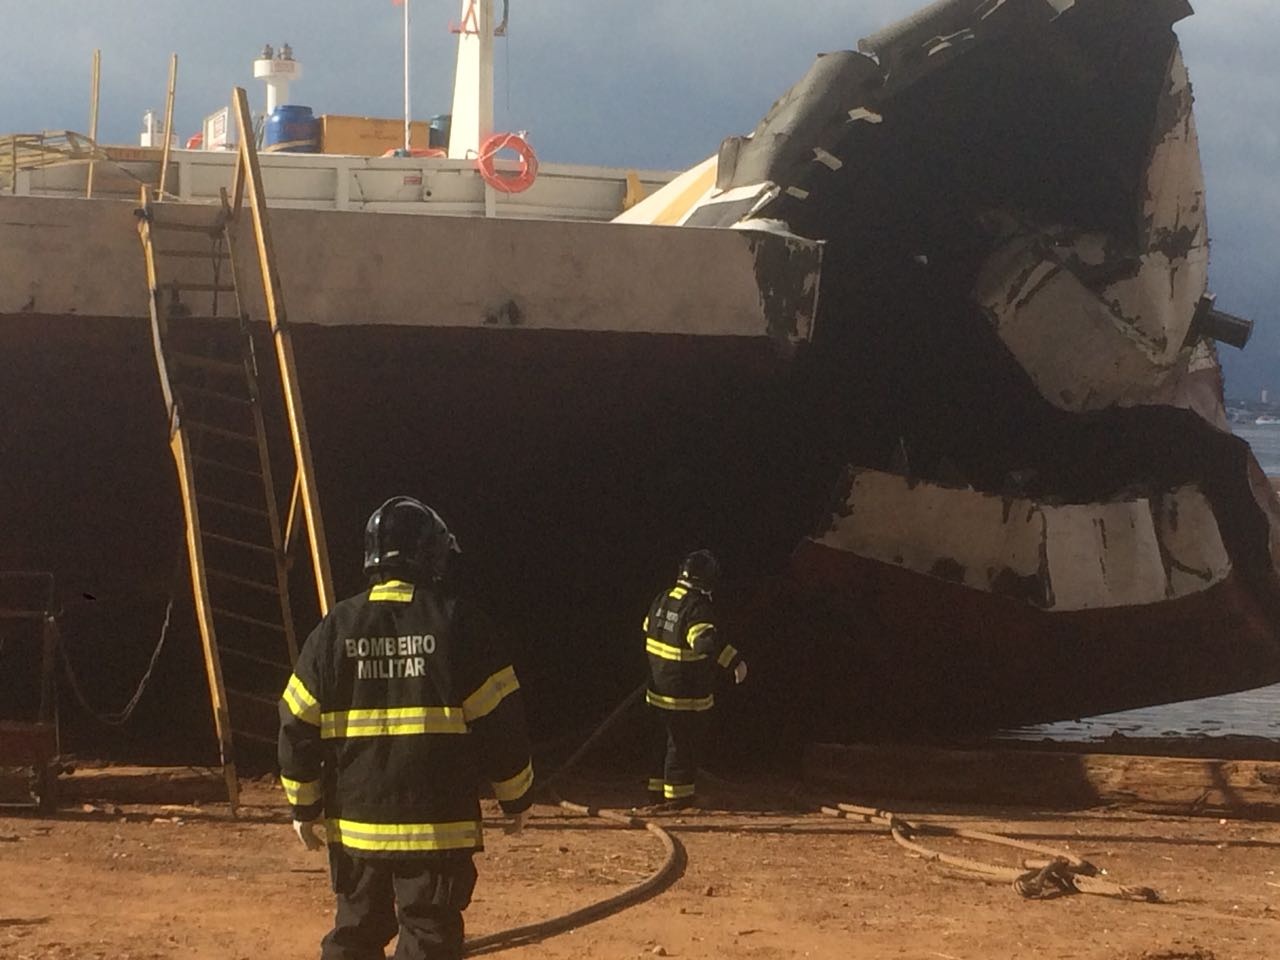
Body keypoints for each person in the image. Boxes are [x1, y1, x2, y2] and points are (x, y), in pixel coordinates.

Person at [278, 496, 534, 960]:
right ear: (431, 555)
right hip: (437, 830)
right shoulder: (460, 624)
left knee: (354, 934)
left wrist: (304, 805)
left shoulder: (334, 628)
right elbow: (501, 723)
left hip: (357, 828)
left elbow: (297, 721)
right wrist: (515, 797)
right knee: (429, 937)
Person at [643, 549, 747, 810]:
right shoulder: (697, 608)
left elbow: (648, 627)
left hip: (657, 689)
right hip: (684, 693)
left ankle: (656, 792)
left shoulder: (662, 598)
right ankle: (679, 798)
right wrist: (735, 661)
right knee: (682, 746)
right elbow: (704, 644)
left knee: (661, 742)